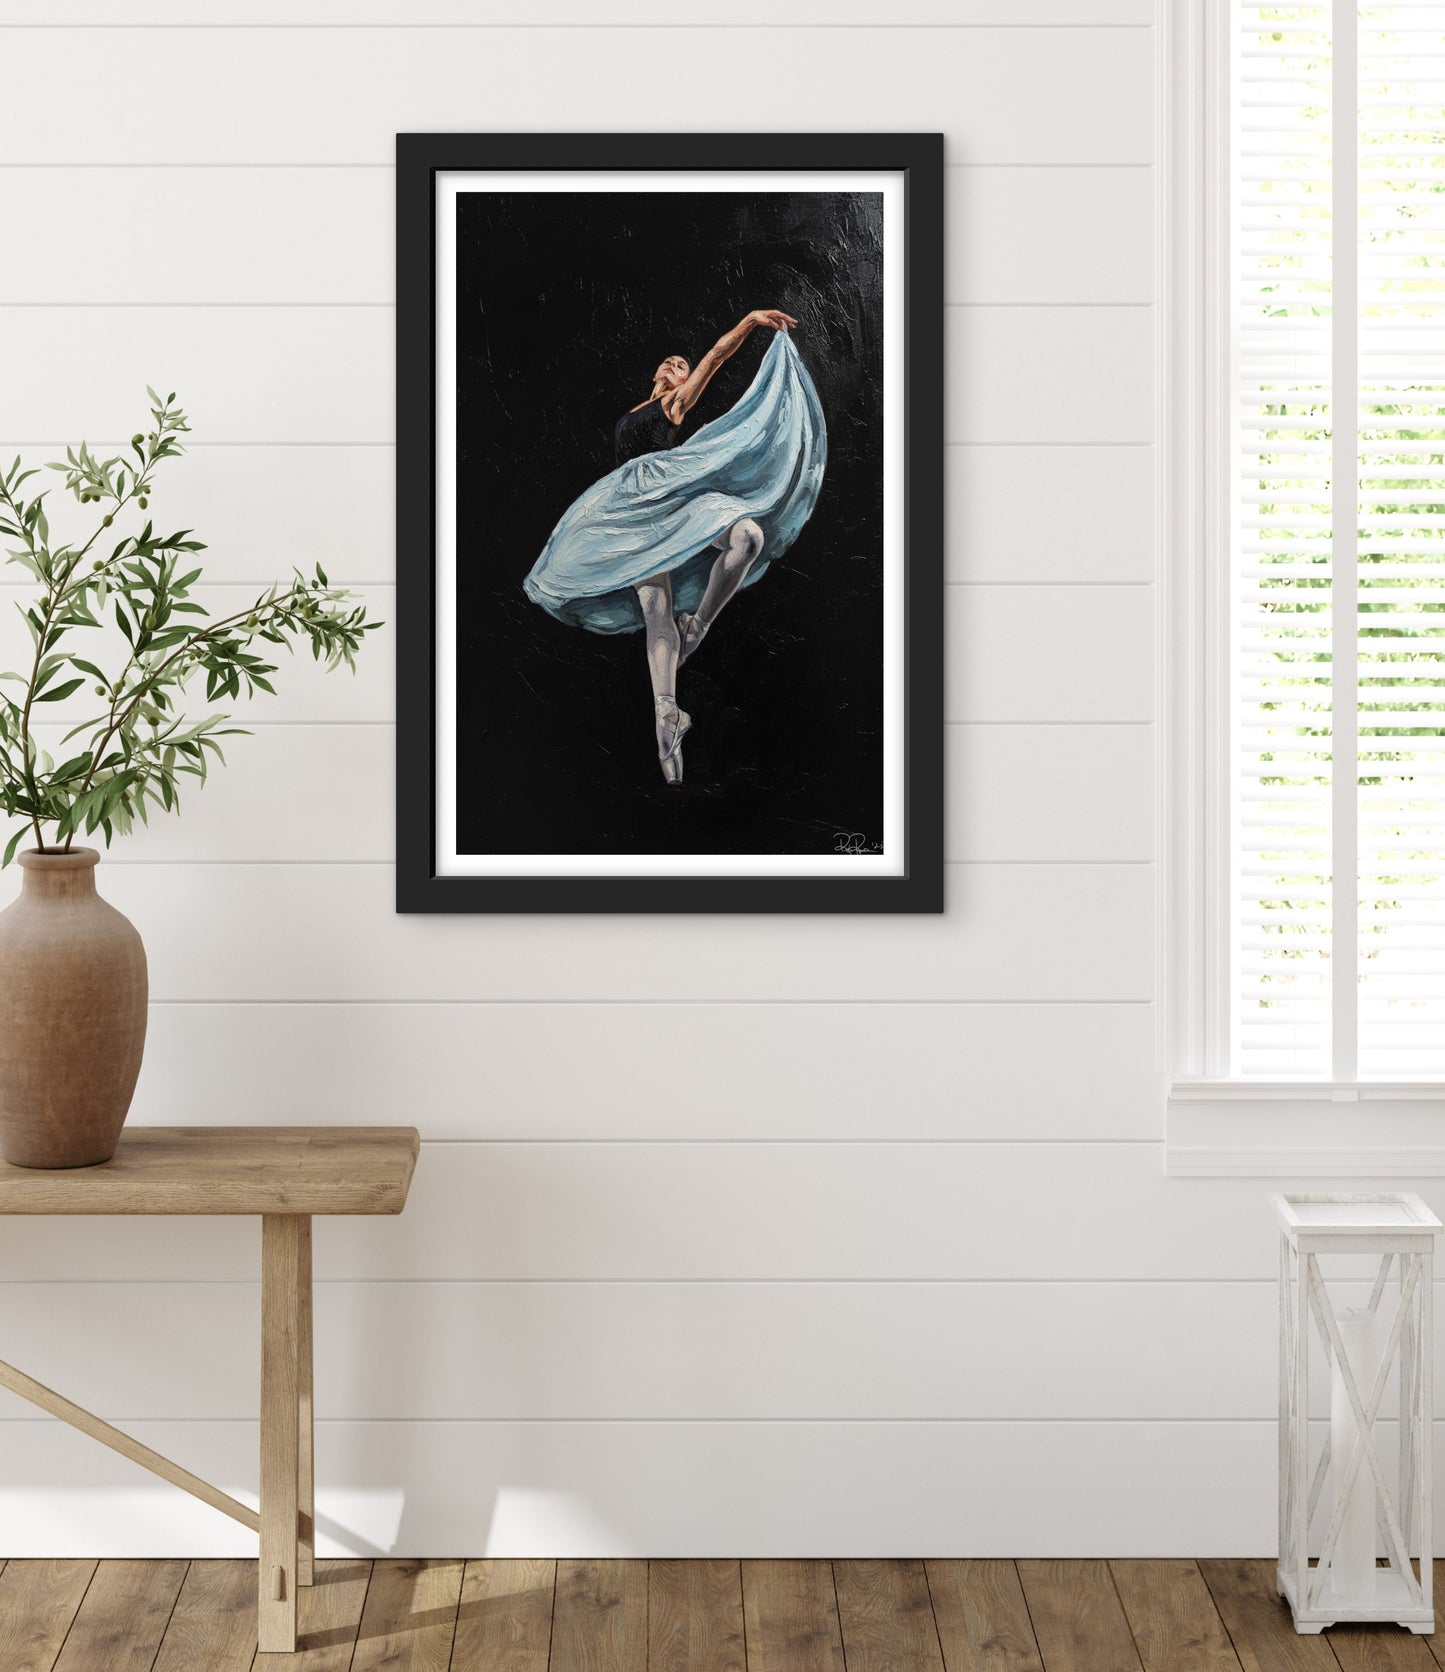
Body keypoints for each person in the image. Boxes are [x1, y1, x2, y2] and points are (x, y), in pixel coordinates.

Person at [523, 308, 827, 784]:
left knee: (747, 537)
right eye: (668, 361)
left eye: (681, 365)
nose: (674, 365)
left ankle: (700, 625)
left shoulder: (673, 406)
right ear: (654, 373)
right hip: (628, 510)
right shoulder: (634, 412)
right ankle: (667, 717)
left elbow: (716, 356)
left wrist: (748, 322)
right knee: (653, 606)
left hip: (667, 491)